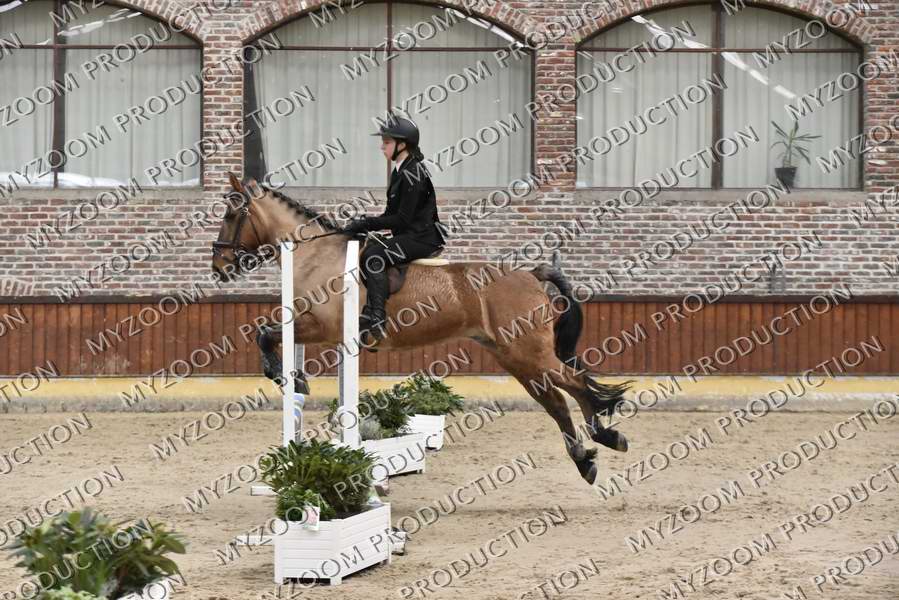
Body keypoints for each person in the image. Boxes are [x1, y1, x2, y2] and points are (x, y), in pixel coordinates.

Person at [343, 115, 446, 348]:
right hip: (409, 234)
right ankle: (371, 310)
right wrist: (366, 225)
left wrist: (367, 224)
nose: (382, 146)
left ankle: (377, 318)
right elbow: (391, 214)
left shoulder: (414, 173)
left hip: (423, 238)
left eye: (387, 142)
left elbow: (402, 219)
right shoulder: (400, 171)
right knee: (369, 247)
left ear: (403, 145)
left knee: (374, 256)